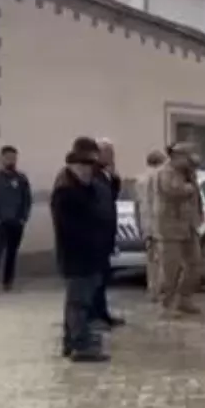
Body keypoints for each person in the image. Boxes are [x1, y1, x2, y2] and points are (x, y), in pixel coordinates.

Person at [51, 142, 110, 363]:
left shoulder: (84, 188)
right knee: (78, 302)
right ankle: (79, 345)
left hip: (90, 254)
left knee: (80, 300)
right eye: (82, 167)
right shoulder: (66, 191)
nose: (87, 171)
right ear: (72, 167)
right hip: (76, 255)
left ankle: (73, 340)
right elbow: (72, 228)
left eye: (89, 167)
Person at [154, 143, 204, 318]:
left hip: (189, 226)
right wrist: (188, 187)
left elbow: (197, 197)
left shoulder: (189, 173)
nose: (190, 161)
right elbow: (173, 190)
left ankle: (185, 298)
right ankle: (166, 305)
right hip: (171, 227)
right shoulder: (166, 172)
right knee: (170, 268)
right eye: (187, 157)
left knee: (195, 263)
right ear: (177, 156)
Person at [0, 144, 31, 296]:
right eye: (8, 157)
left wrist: (23, 217)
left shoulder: (21, 178)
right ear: (2, 158)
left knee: (12, 253)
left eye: (14, 158)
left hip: (16, 222)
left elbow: (27, 199)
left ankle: (8, 282)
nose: (11, 160)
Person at [90, 138, 124, 329]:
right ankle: (94, 317)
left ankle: (103, 314)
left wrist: (114, 177)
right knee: (95, 280)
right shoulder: (92, 174)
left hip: (106, 234)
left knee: (103, 278)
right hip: (96, 235)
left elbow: (112, 197)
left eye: (112, 153)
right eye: (107, 152)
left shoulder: (105, 174)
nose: (111, 157)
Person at [135, 149, 167, 302]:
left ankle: (151, 287)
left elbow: (137, 204)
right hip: (160, 222)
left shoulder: (139, 179)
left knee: (150, 258)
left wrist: (139, 224)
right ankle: (160, 288)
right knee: (162, 257)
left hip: (146, 223)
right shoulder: (160, 177)